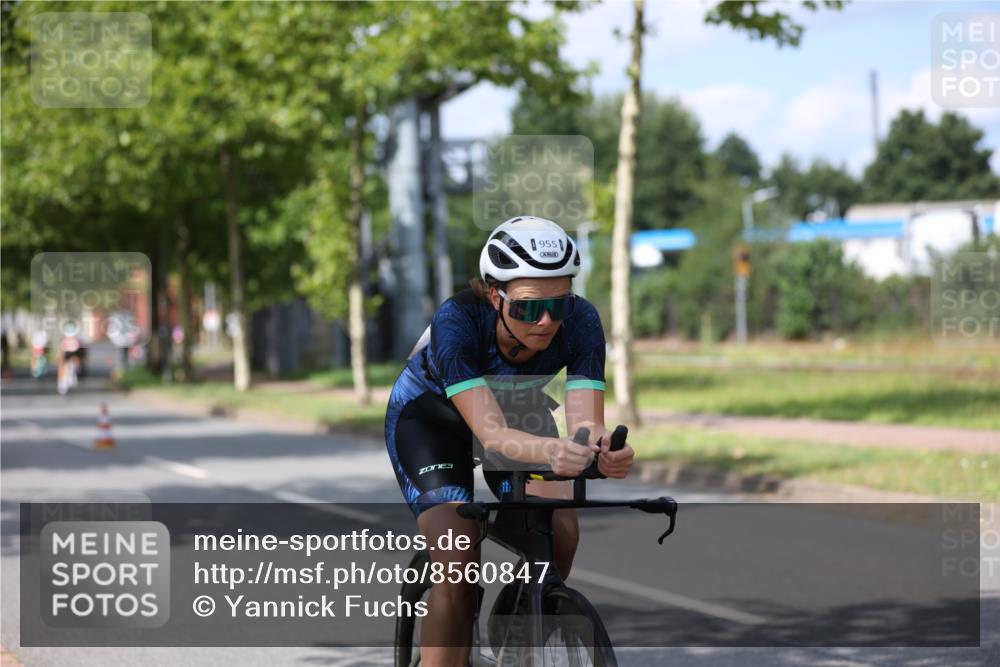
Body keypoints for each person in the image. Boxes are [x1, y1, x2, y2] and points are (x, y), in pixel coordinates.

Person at [384, 216, 635, 666]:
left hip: (520, 410)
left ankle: (516, 634)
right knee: (458, 558)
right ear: (494, 295)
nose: (546, 321)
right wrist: (555, 451)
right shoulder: (458, 320)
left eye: (558, 306)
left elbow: (586, 425)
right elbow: (493, 435)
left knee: (560, 534)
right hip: (432, 422)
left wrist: (604, 451)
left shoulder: (581, 321)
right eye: (527, 309)